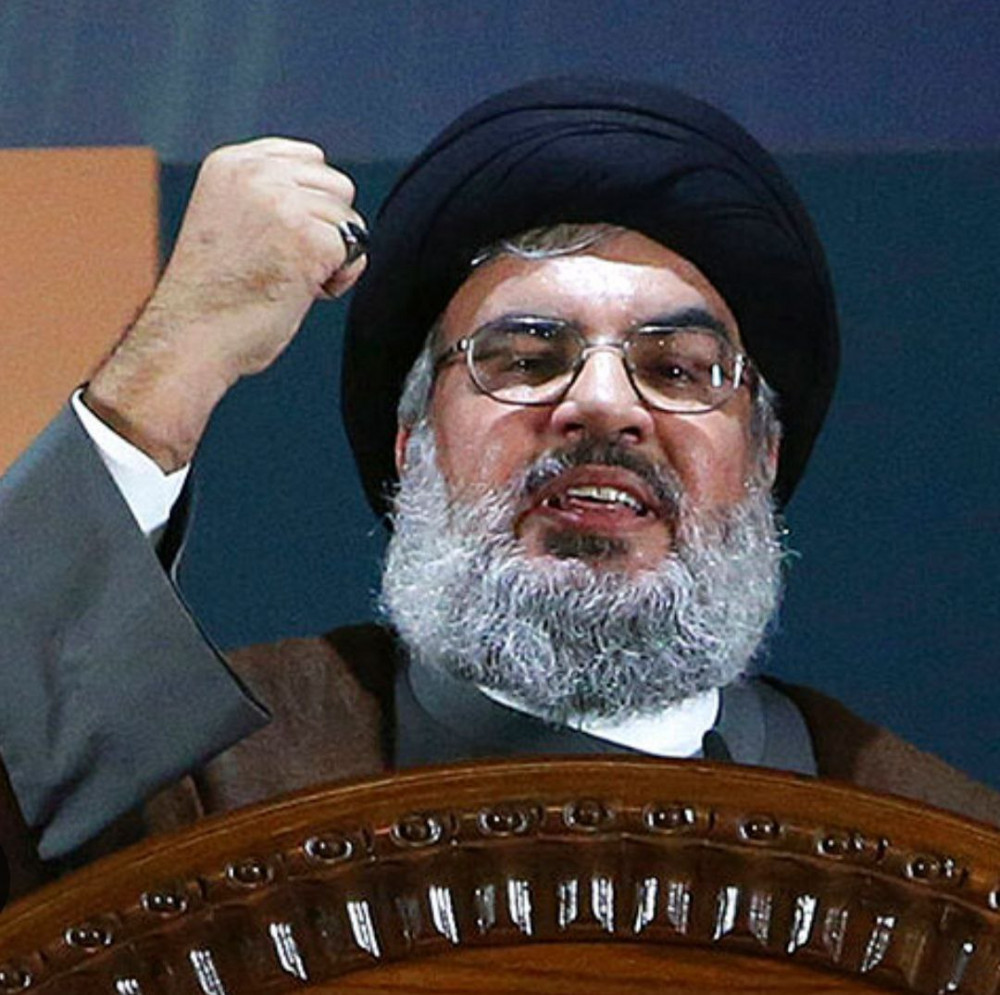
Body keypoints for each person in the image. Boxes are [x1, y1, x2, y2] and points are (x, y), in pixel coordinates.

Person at [1, 79, 997, 899]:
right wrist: (172, 359)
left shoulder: (935, 857)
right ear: (412, 442)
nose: (602, 404)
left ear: (763, 456)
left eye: (678, 369)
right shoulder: (199, 790)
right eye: (524, 357)